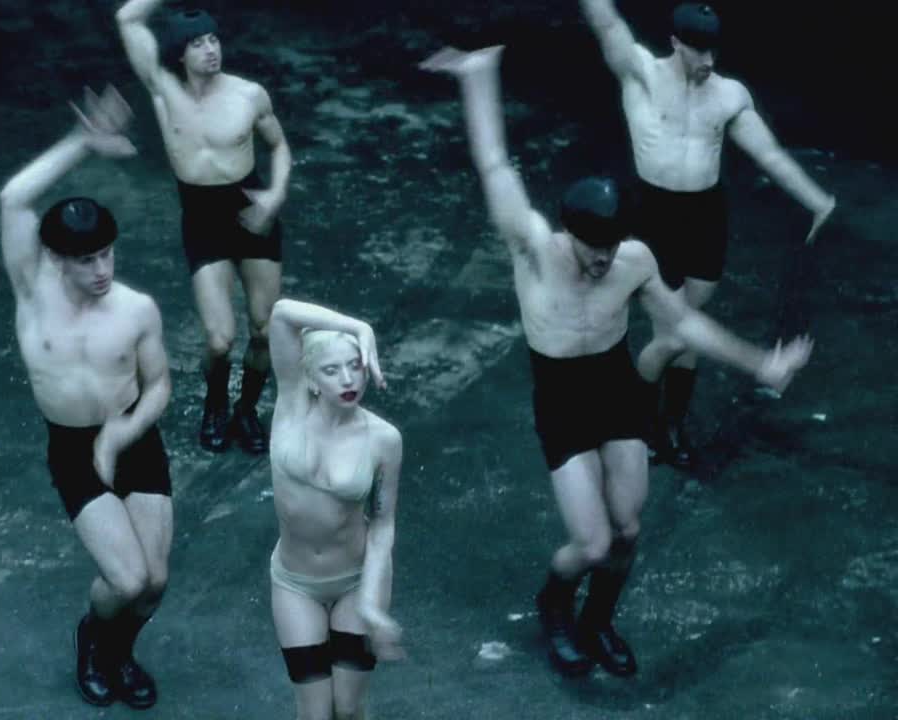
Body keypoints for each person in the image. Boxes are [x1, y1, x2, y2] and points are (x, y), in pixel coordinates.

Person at [420, 44, 813, 678]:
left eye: (611, 246)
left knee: (627, 528)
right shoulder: (533, 247)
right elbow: (494, 165)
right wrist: (477, 78)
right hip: (562, 400)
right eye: (592, 248)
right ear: (569, 232)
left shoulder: (634, 260)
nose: (603, 259)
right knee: (592, 540)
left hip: (615, 390)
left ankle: (597, 620)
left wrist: (759, 364)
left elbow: (683, 322)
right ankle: (554, 604)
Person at [578, 0, 836, 468]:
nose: (709, 61)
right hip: (653, 215)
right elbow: (605, 20)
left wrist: (816, 199)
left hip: (704, 217)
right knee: (675, 330)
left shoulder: (728, 96)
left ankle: (668, 425)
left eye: (713, 50)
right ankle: (647, 426)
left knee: (683, 331)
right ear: (676, 43)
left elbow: (770, 154)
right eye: (698, 51)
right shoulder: (641, 73)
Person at [0, 85, 172, 710]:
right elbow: (14, 197)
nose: (102, 270)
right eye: (87, 260)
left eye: (107, 254)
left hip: (133, 437)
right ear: (55, 259)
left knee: (154, 583)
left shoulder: (136, 309)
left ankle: (119, 653)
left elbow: (160, 385)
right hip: (74, 450)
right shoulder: (31, 292)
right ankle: (93, 642)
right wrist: (82, 142)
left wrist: (124, 431)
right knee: (125, 579)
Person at [116, 0, 293, 455]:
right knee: (219, 339)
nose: (211, 49)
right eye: (198, 43)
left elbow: (279, 146)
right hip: (202, 218)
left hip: (252, 210)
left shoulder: (248, 94)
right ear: (180, 53)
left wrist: (275, 194)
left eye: (214, 40)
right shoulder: (163, 91)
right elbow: (127, 18)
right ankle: (215, 404)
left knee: (263, 329)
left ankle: (247, 409)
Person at [265, 298, 404, 719]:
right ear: (309, 378)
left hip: (355, 583)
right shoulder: (291, 407)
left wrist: (372, 605)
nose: (348, 379)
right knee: (315, 714)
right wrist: (359, 326)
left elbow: (382, 525)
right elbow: (282, 313)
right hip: (295, 582)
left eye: (355, 366)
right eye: (331, 370)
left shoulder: (383, 439)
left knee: (347, 708)